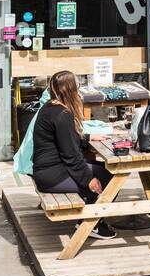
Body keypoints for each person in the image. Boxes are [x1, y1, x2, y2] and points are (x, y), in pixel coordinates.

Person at [30, 70, 115, 239]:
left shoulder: (50, 107)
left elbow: (67, 140)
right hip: (52, 175)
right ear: (70, 89)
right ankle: (91, 225)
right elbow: (71, 155)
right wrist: (88, 179)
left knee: (107, 171)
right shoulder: (62, 114)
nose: (79, 89)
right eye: (77, 86)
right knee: (110, 179)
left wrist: (88, 138)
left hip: (47, 170)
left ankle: (91, 220)